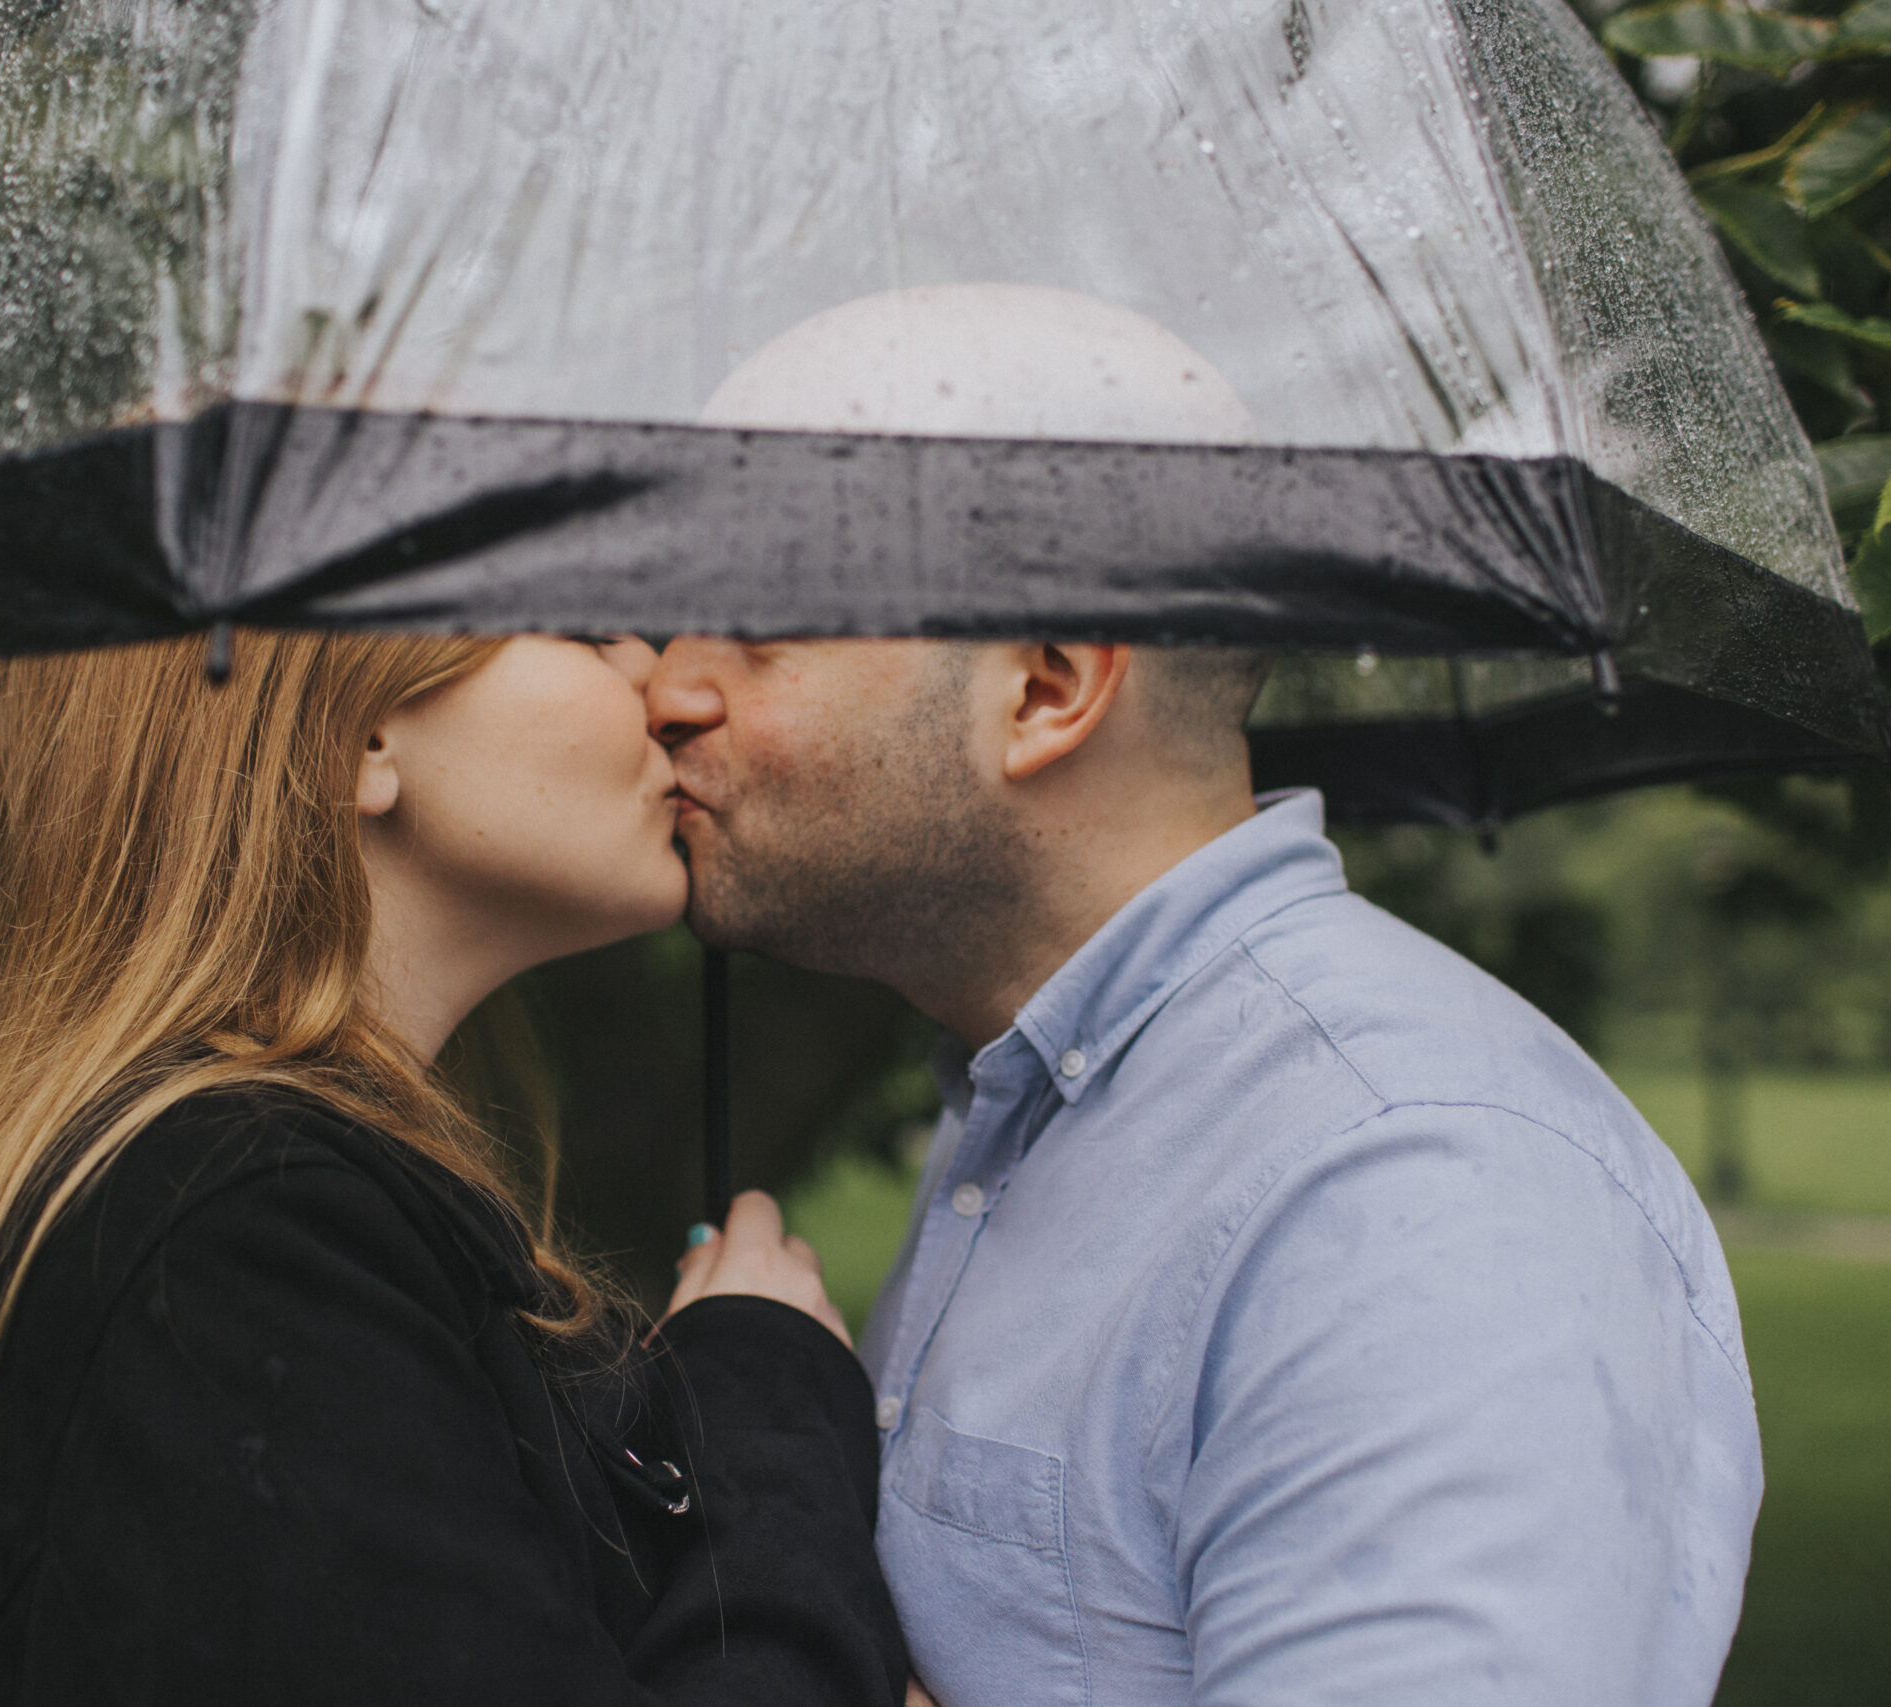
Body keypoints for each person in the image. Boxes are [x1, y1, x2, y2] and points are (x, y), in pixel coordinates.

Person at [649, 288, 1761, 1706]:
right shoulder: (1034, 1097)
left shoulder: (1411, 1179)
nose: (668, 686)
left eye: (757, 617)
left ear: (1045, 688)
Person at [0, 629, 907, 1706]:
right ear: (365, 735)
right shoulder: (232, 1229)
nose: (656, 682)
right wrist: (769, 1414)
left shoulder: (242, 1192)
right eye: (582, 629)